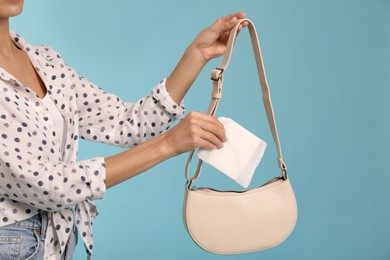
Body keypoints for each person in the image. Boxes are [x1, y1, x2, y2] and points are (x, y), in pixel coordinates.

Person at [0, 1, 247, 259]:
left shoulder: (45, 61)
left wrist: (197, 54)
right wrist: (168, 144)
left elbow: (126, 123)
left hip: (57, 241)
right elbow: (50, 186)